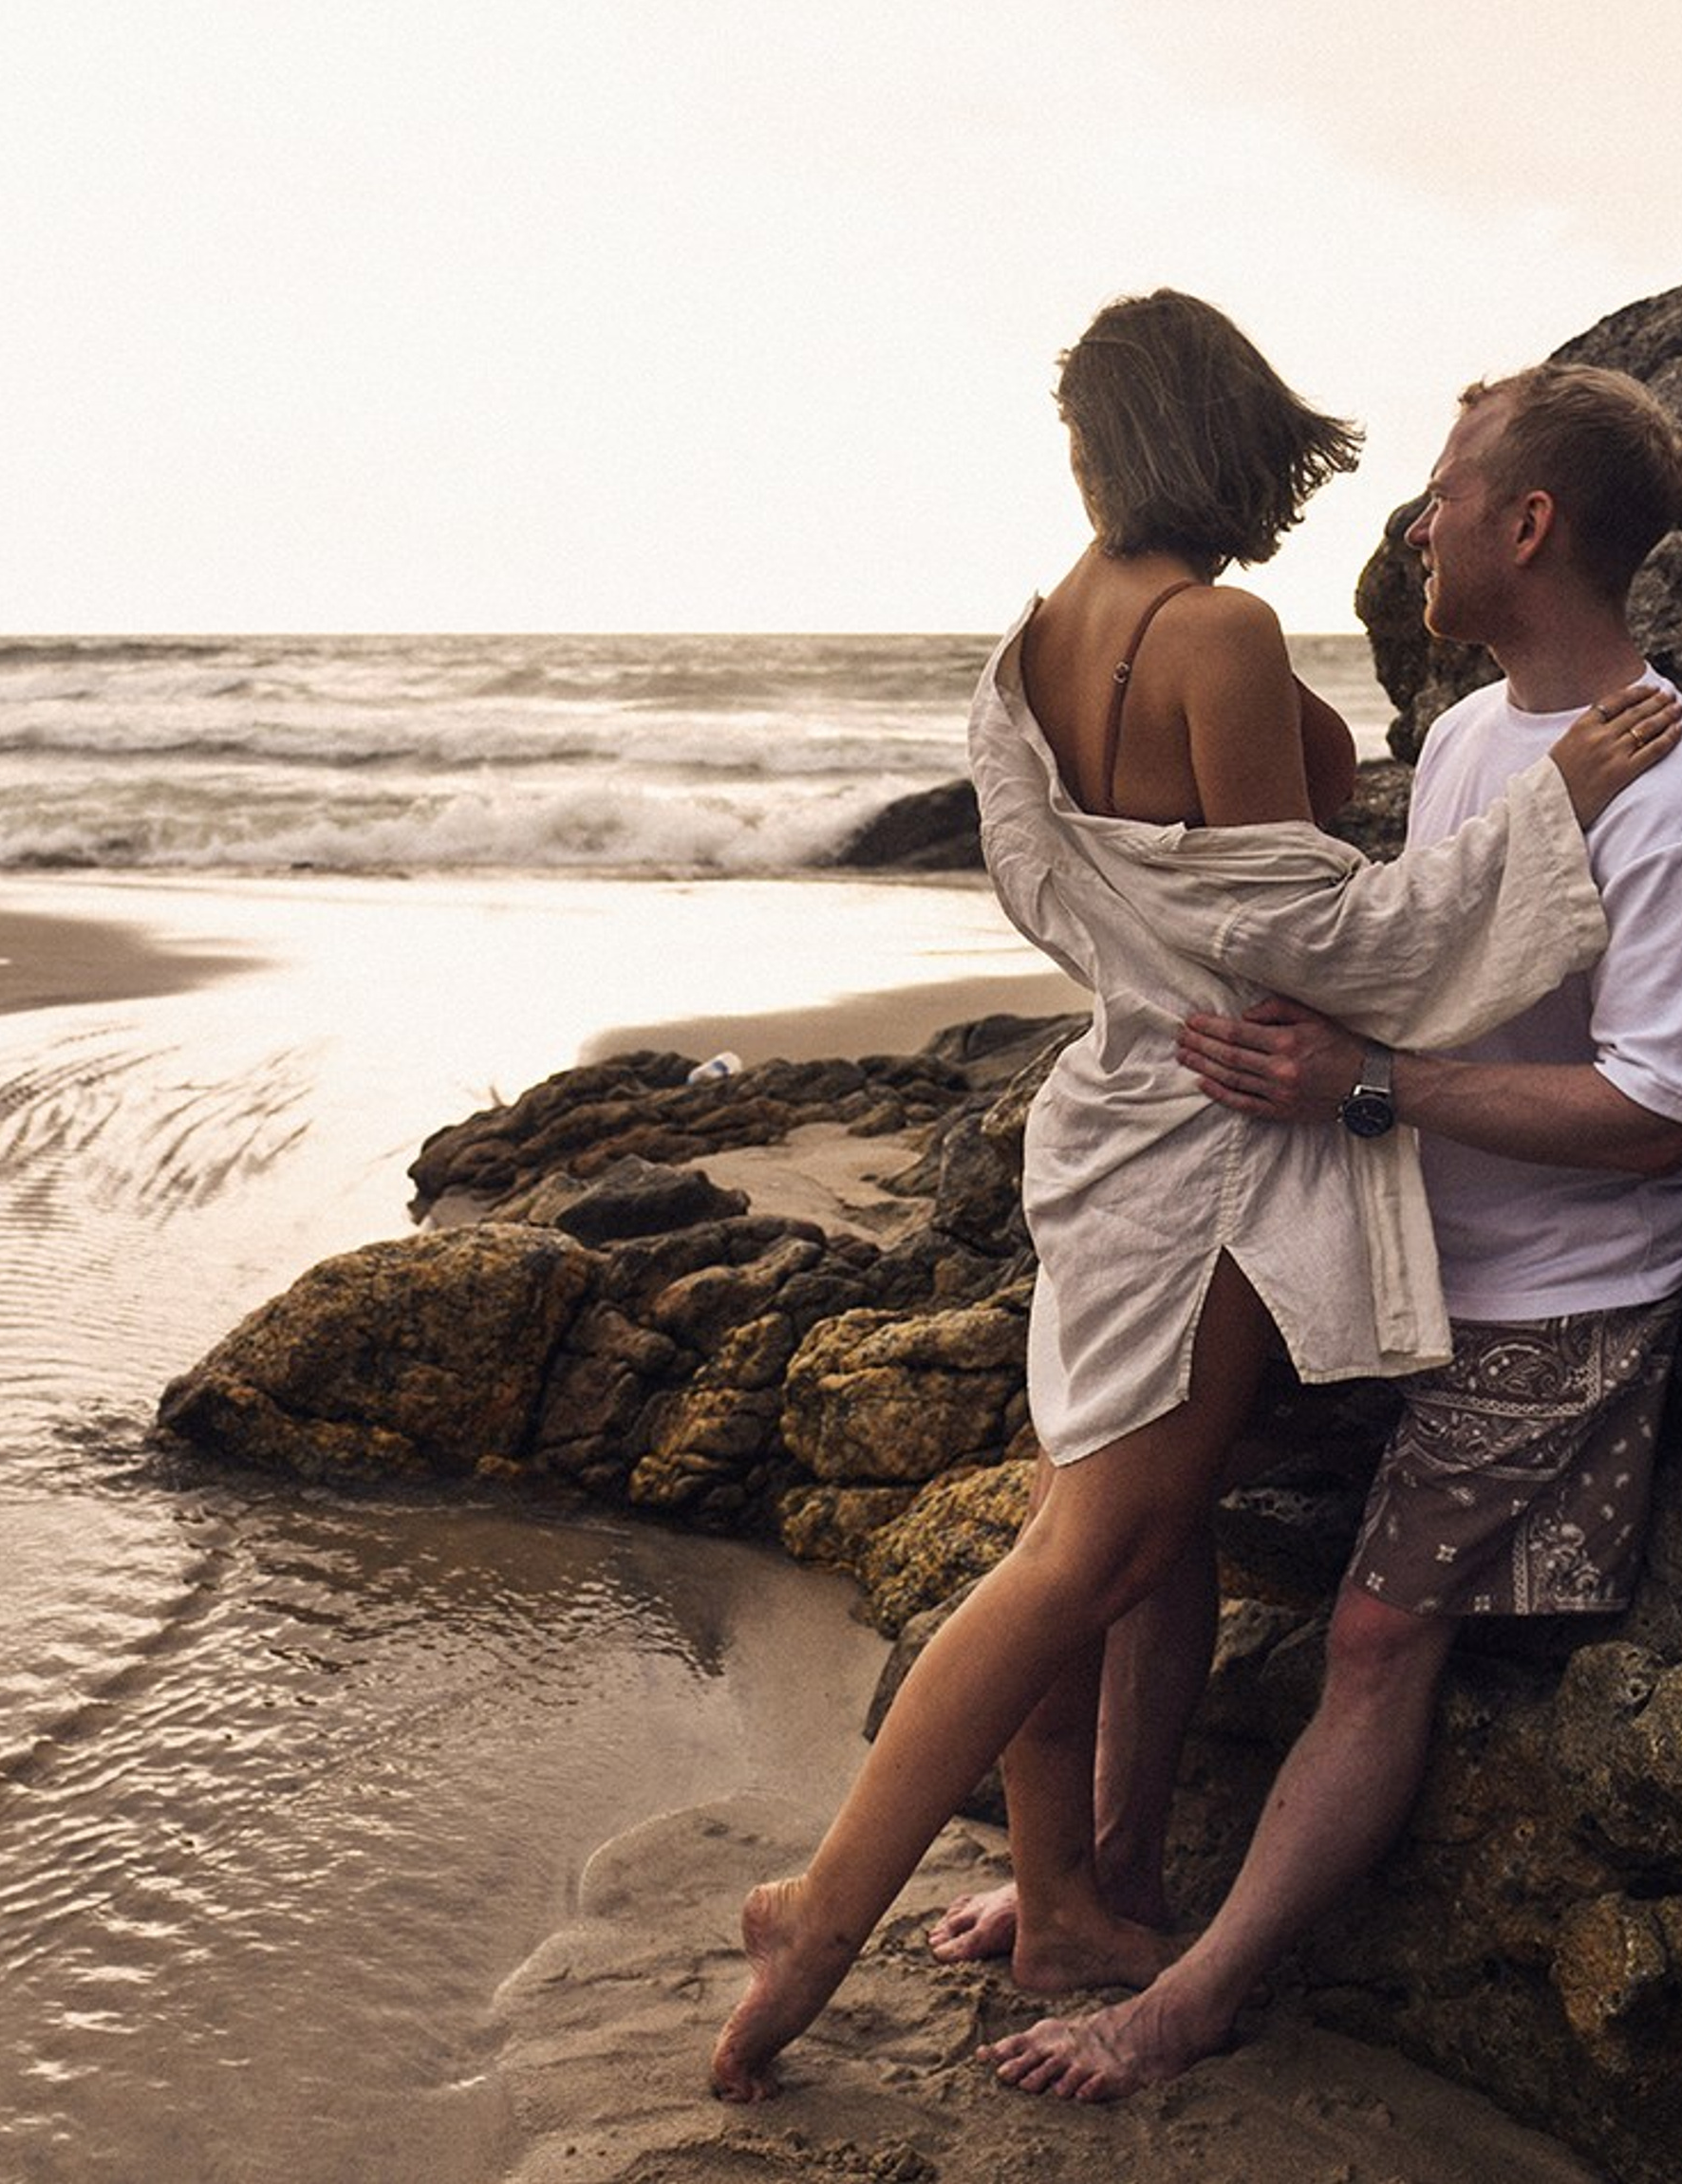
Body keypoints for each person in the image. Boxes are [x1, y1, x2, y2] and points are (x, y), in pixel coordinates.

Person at [708, 294, 1677, 2105]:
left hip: (1160, 1125)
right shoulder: (1271, 656)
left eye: (1442, 492)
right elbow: (1329, 943)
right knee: (1094, 1546)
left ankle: (1086, 1897)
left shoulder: (1040, 641)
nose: (1397, 519)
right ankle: (838, 1909)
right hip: (1225, 1141)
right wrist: (1536, 812)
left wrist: (1338, 1002)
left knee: (1130, 1533)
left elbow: (1232, 911)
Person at [981, 357, 1682, 2100]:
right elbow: (1399, 952)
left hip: (1557, 1297)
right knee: (1133, 1501)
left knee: (1374, 1637)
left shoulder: (1665, 784)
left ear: (1530, 525)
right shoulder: (1471, 738)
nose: (1416, 524)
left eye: (1446, 494)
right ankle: (1099, 1887)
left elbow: (1657, 1117)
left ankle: (1190, 1999)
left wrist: (1366, 1085)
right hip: (1387, 1240)